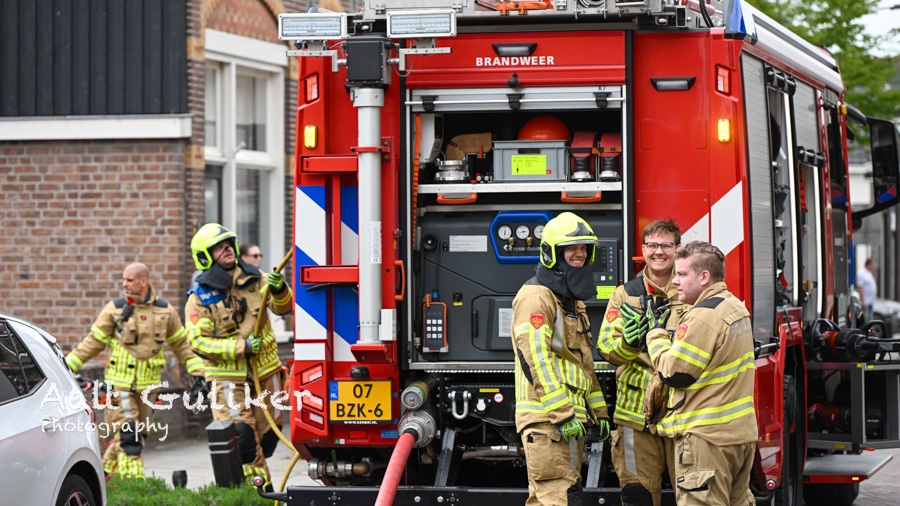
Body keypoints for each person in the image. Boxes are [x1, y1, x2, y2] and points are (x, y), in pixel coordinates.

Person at [641, 241, 756, 505]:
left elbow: (674, 373)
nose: (675, 281)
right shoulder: (734, 306)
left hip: (707, 440)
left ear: (704, 277)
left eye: (682, 274)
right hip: (739, 437)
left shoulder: (703, 316)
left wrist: (656, 336)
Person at [65, 262, 205, 479]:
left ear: (143, 281)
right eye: (124, 279)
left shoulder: (165, 311)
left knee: (135, 436)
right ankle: (135, 486)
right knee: (130, 438)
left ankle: (103, 479)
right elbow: (92, 342)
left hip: (149, 389)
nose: (124, 284)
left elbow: (182, 346)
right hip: (119, 385)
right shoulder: (115, 309)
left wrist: (199, 373)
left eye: (129, 280)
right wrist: (66, 366)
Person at [511, 212, 610, 506]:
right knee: (558, 498)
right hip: (548, 421)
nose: (579, 254)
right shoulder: (536, 297)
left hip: (568, 420)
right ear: (552, 253)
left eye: (584, 248)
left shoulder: (570, 303)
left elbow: (582, 366)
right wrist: (562, 413)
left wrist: (599, 412)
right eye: (571, 248)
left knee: (563, 496)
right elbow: (535, 358)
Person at [185, 224, 293, 488]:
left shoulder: (258, 280)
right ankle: (258, 495)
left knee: (268, 437)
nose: (228, 250)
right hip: (228, 381)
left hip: (267, 374)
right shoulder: (200, 298)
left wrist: (280, 290)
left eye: (229, 244)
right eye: (219, 247)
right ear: (205, 256)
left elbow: (284, 309)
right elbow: (198, 342)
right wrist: (241, 348)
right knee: (244, 442)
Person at [596, 219, 685, 506]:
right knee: (638, 496)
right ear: (643, 250)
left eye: (666, 245)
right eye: (652, 245)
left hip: (682, 413)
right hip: (635, 417)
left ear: (678, 249)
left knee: (694, 495)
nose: (658, 252)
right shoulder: (625, 294)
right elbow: (606, 350)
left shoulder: (691, 292)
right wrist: (629, 345)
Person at [857, 258, 877, 322]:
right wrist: (863, 300)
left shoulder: (869, 273)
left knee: (870, 319)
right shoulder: (861, 273)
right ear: (868, 264)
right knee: (866, 320)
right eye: (872, 265)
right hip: (866, 302)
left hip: (870, 301)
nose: (873, 267)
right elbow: (860, 287)